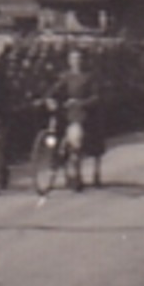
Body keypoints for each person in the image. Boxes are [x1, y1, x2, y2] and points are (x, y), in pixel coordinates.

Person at [41, 48, 104, 190]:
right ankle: (54, 165)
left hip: (83, 113)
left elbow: (96, 97)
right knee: (54, 134)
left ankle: (77, 171)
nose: (76, 62)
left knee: (77, 136)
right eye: (73, 58)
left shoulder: (89, 77)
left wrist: (80, 102)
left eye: (78, 58)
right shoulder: (66, 77)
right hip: (66, 112)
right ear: (69, 61)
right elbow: (54, 90)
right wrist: (50, 99)